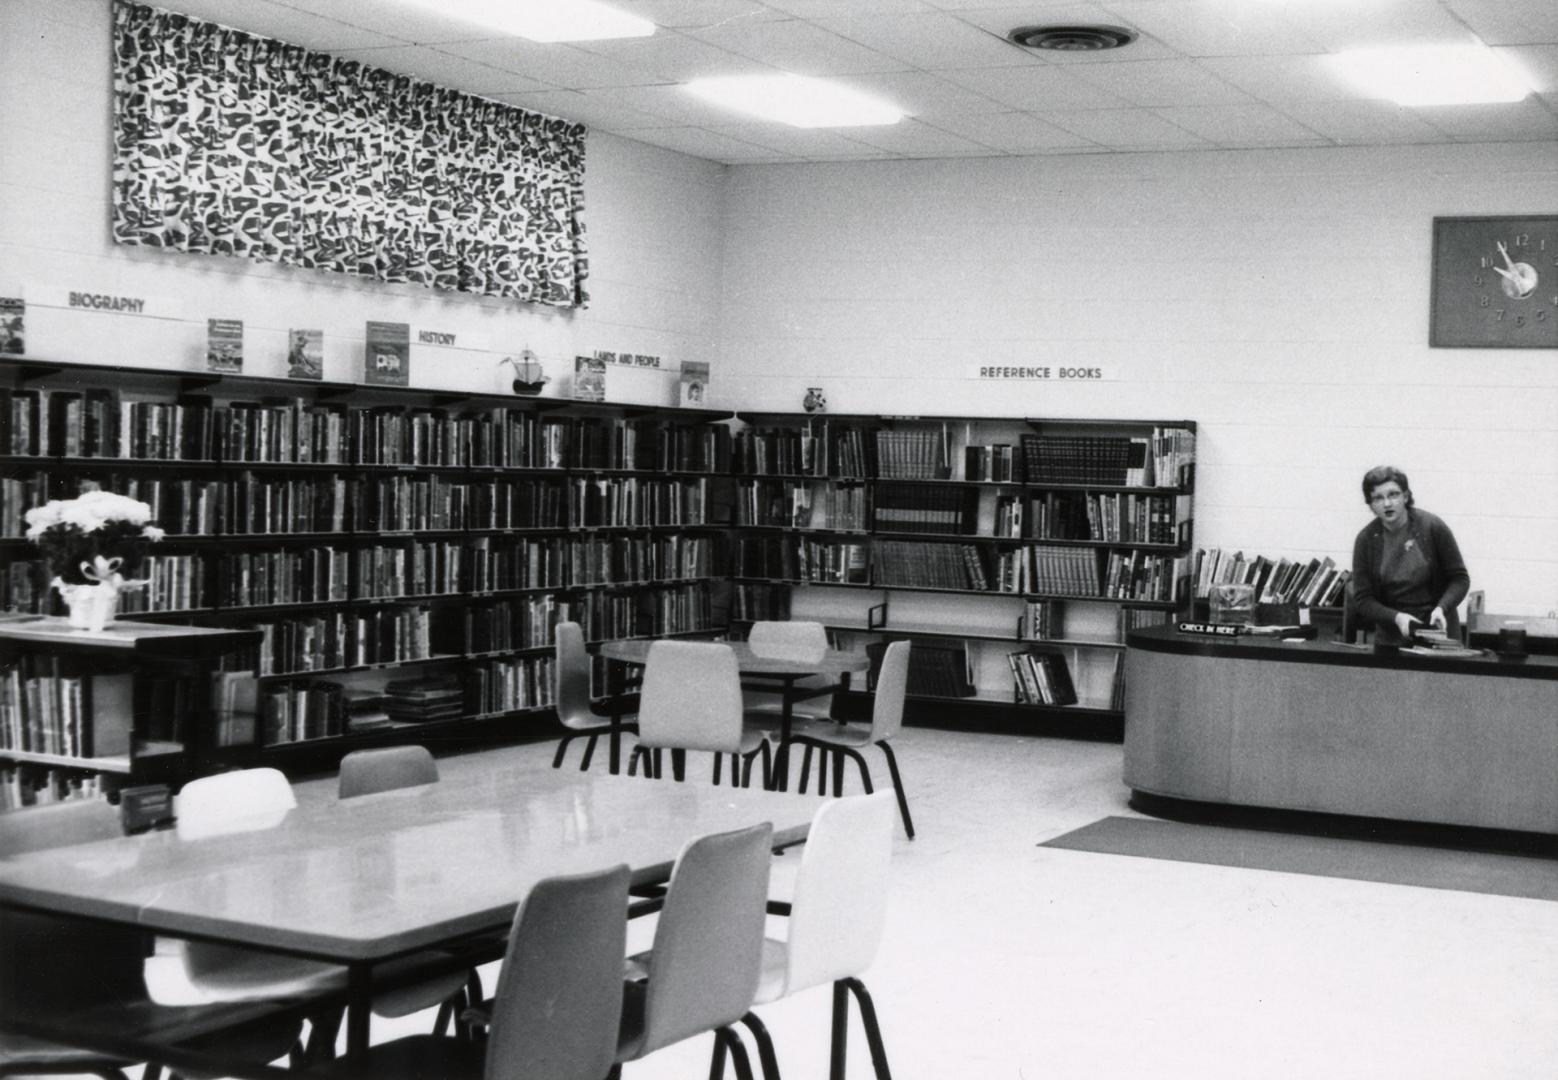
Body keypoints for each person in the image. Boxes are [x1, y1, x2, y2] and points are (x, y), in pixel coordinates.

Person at [1349, 465, 1469, 644]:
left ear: (1406, 496)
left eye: (1393, 495)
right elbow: (1363, 599)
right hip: (1393, 634)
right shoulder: (1365, 540)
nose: (1387, 504)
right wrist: (1396, 618)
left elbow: (1460, 579)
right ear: (1371, 505)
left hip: (1439, 629)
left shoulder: (1433, 527)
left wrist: (1441, 608)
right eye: (1378, 498)